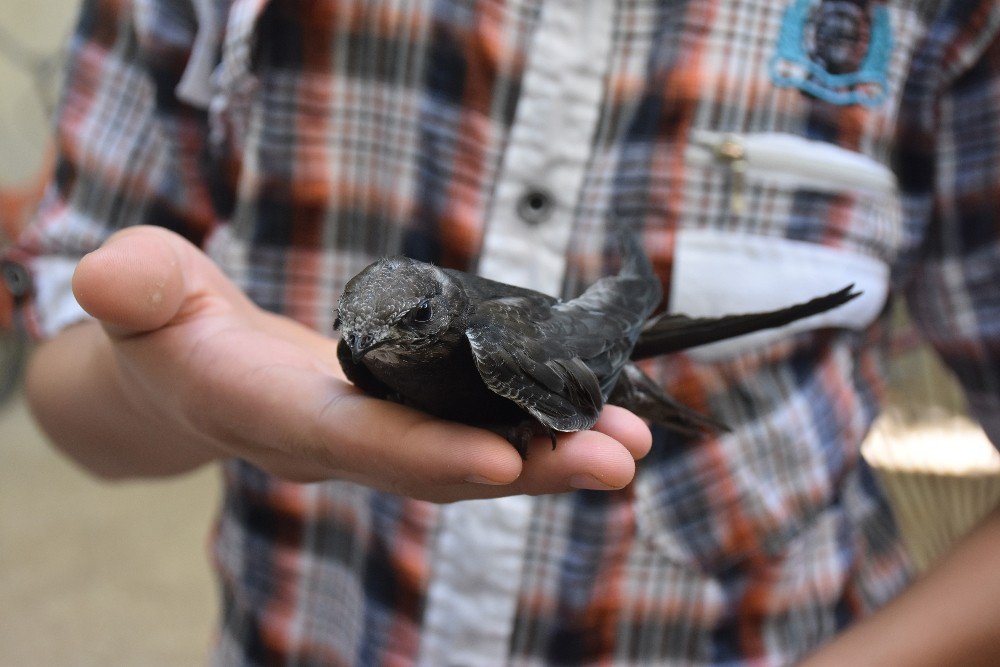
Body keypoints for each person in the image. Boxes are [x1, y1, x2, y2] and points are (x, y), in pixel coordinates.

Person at [5, 0, 1000, 663]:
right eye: (358, 336)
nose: (370, 349)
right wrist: (156, 380)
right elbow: (65, 370)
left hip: (771, 628)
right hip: (299, 625)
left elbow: (577, 350)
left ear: (444, 313)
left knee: (603, 385)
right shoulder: (372, 342)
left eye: (404, 328)